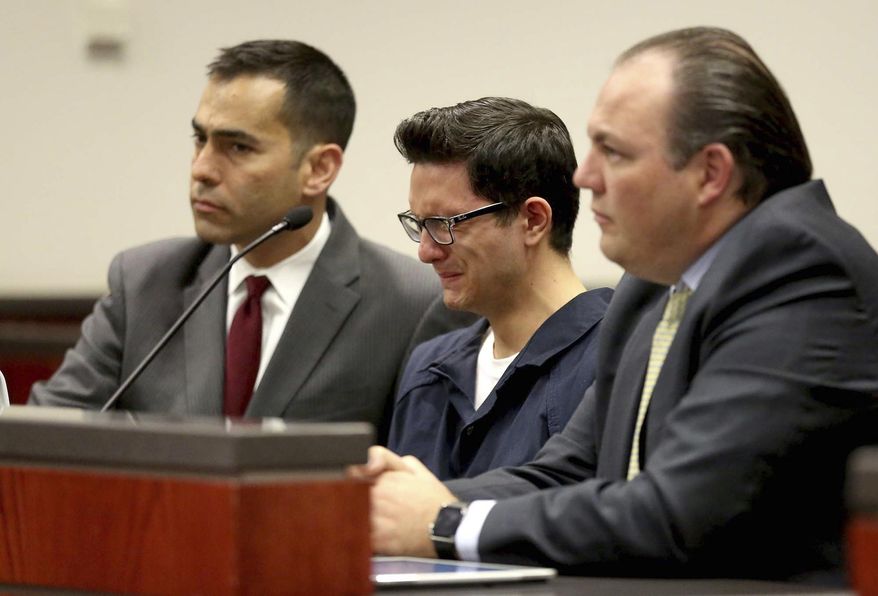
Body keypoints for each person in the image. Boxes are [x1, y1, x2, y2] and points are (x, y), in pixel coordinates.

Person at [351, 27, 878, 581]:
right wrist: (403, 504)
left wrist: (446, 524)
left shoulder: (801, 271)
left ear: (711, 173)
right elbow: (568, 471)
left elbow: (678, 512)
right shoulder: (653, 284)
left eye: (614, 151)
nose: (584, 176)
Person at [30, 40, 456, 431]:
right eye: (200, 139)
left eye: (238, 148)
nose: (202, 169)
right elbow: (44, 433)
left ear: (319, 168)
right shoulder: (144, 282)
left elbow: (421, 476)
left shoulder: (411, 303)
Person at [387, 97, 612, 480]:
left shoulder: (614, 358)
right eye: (419, 224)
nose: (425, 252)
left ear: (533, 220)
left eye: (445, 224)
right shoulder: (429, 369)